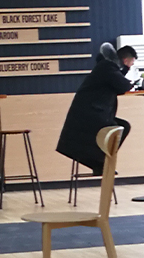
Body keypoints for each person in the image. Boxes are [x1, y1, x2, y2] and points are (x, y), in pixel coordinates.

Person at [56, 43, 137, 175]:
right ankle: (101, 161)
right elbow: (122, 85)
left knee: (121, 127)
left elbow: (116, 82)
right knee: (121, 127)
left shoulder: (105, 67)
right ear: (125, 60)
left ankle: (100, 162)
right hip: (91, 115)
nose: (131, 65)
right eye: (131, 62)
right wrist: (129, 75)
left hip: (88, 113)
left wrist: (124, 72)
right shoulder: (108, 67)